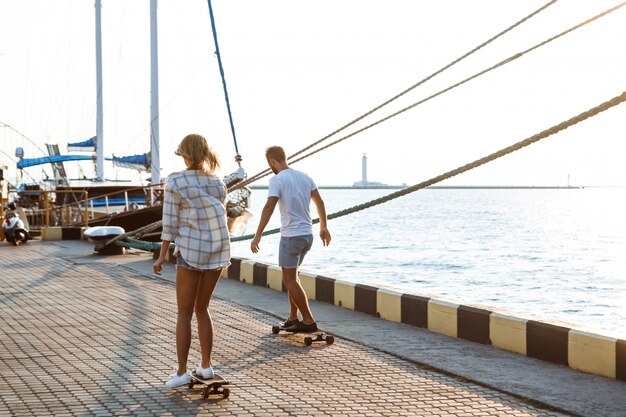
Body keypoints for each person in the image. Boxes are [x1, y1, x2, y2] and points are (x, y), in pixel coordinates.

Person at [153, 134, 231, 389]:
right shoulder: (218, 182)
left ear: (186, 155)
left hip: (189, 252)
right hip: (216, 252)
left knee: (184, 313)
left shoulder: (175, 181)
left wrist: (162, 254)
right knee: (203, 309)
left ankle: (182, 372)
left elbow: (170, 222)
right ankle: (206, 367)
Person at [251, 146, 331, 333]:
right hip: (307, 235)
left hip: (291, 236)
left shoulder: (276, 180)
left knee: (289, 280)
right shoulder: (305, 177)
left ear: (271, 161)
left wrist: (257, 235)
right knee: (293, 277)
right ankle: (293, 317)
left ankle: (309, 320)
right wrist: (324, 227)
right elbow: (320, 202)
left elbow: (269, 207)